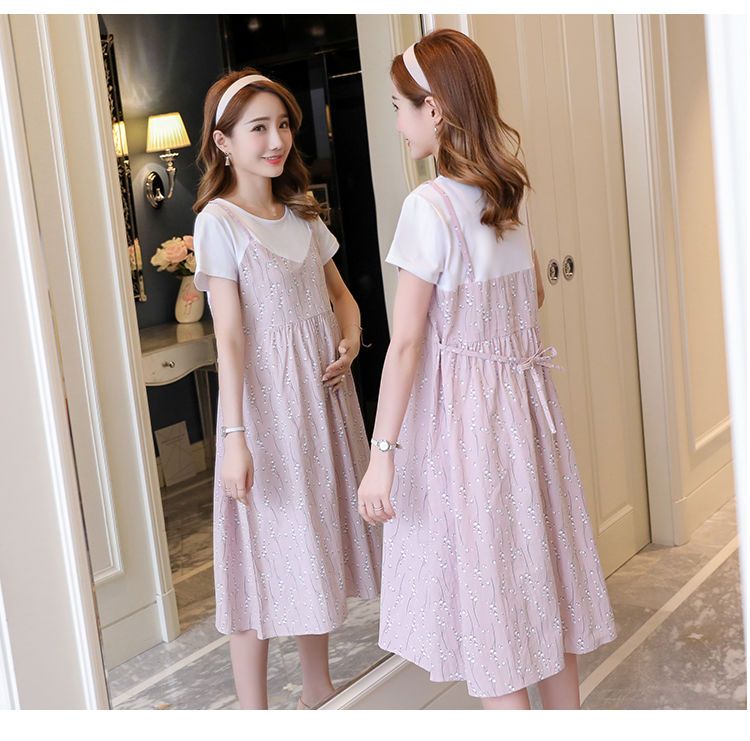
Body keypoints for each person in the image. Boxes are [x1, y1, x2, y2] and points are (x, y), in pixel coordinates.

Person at [357, 29, 617, 710]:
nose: (397, 122)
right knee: (542, 587)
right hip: (527, 414)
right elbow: (533, 296)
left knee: (493, 599)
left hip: (466, 428)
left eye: (399, 106)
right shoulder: (508, 192)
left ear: (434, 109)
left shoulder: (429, 206)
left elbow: (406, 344)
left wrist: (382, 455)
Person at [191, 68, 381, 710]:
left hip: (321, 403)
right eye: (258, 128)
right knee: (259, 553)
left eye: (282, 125)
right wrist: (234, 437)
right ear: (223, 142)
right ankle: (254, 712)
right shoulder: (218, 222)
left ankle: (317, 687)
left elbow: (343, 299)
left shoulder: (301, 213)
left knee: (311, 539)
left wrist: (350, 339)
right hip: (266, 410)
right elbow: (229, 338)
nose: (276, 140)